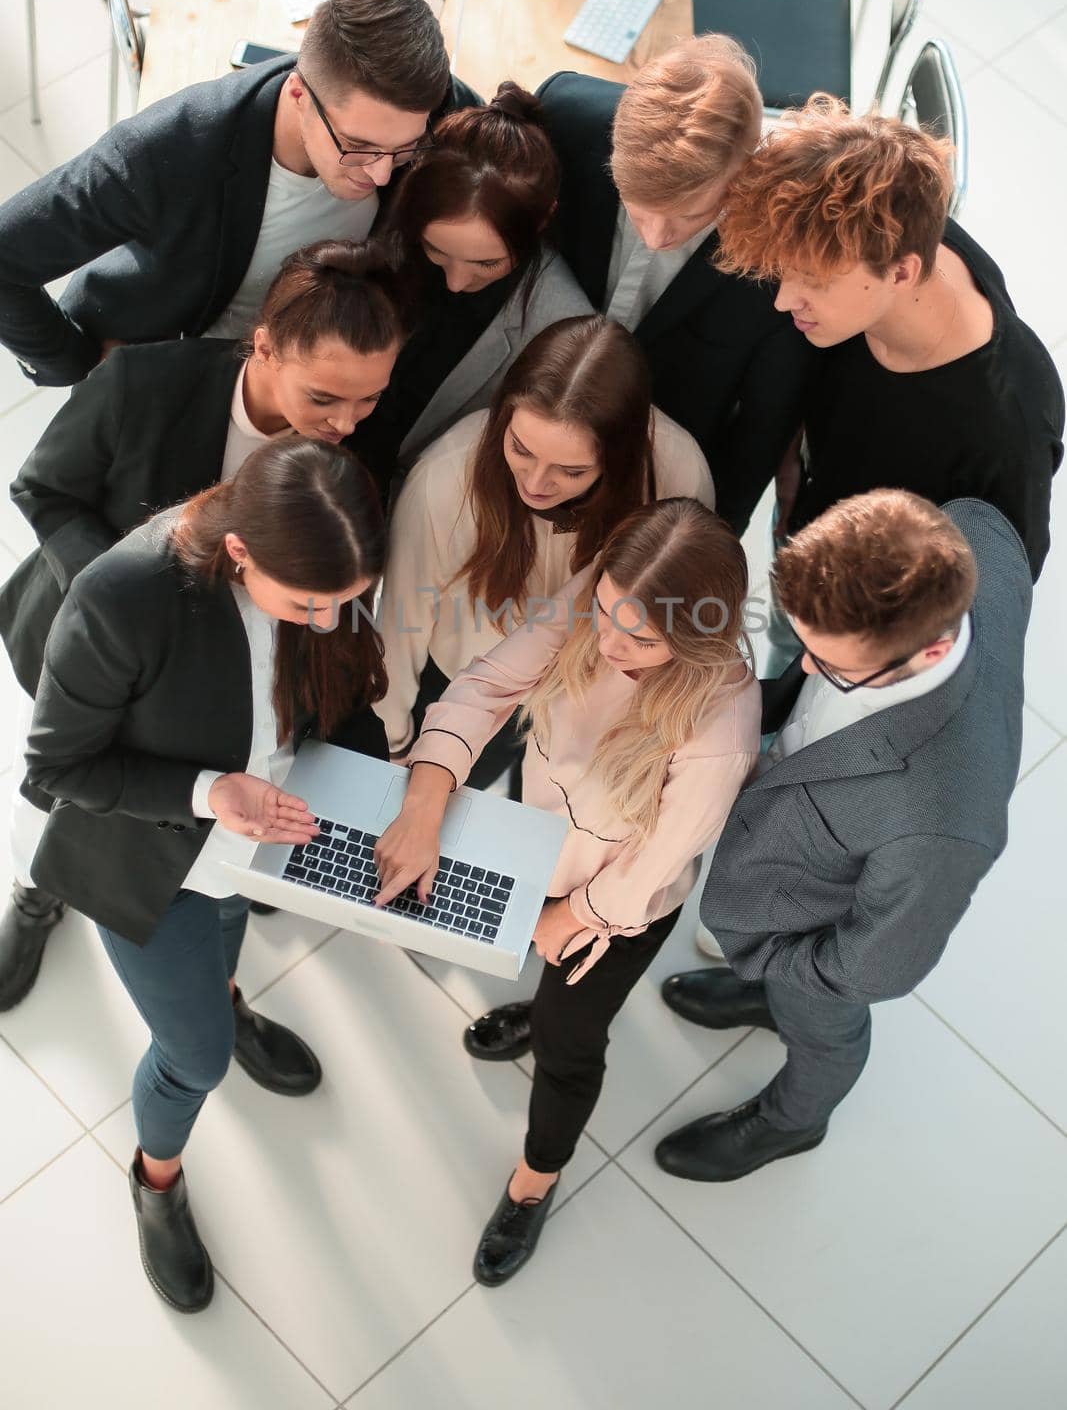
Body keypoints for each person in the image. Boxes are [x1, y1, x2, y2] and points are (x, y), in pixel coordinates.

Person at [23, 440, 389, 1311]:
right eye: (311, 604)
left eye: (348, 602)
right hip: (151, 858)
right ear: (238, 552)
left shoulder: (316, 575)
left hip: (255, 848)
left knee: (224, 946)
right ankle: (156, 1180)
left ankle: (221, 995)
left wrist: (387, 805)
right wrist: (208, 791)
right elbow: (55, 769)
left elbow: (338, 696)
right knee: (194, 1057)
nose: (330, 621)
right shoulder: (122, 598)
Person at [0, 239, 405, 1012]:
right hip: (92, 645)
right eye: (325, 398)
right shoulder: (144, 383)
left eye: (369, 400)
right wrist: (120, 596)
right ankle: (34, 894)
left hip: (226, 675)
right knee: (53, 790)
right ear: (264, 347)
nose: (347, 423)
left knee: (189, 800)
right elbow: (44, 489)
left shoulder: (344, 449)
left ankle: (214, 985)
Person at [374, 499, 761, 1283]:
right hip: (539, 843)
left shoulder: (719, 727)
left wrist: (574, 914)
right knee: (532, 968)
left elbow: (655, 866)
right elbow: (484, 688)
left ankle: (534, 1181)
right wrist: (424, 797)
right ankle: (535, 1003)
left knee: (569, 1044)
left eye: (638, 636)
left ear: (694, 638)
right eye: (607, 613)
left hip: (614, 907)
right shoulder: (594, 598)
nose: (609, 640)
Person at [654, 490, 1029, 1183]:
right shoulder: (973, 529)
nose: (803, 668)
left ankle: (791, 1123)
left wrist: (782, 963)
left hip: (814, 936)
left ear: (932, 646)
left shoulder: (937, 820)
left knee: (824, 1027)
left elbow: (874, 967)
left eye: (831, 665)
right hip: (788, 895)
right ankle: (761, 991)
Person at [0, 0, 477, 386]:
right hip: (179, 368)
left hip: (320, 368)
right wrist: (79, 364)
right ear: (298, 94)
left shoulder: (428, 109)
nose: (380, 173)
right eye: (359, 146)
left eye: (403, 150)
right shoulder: (172, 148)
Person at [714, 94, 1064, 581]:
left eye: (812, 281)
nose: (783, 300)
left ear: (902, 272)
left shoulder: (1006, 435)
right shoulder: (892, 233)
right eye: (784, 275)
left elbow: (991, 602)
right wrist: (792, 452)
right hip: (809, 521)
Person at [374, 314, 715, 778]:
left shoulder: (678, 472)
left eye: (571, 471)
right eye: (520, 448)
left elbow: (681, 614)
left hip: (598, 706)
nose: (535, 484)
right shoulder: (444, 477)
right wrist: (391, 743)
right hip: (469, 693)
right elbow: (400, 625)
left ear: (619, 457)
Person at [535, 35, 815, 536]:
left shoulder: (783, 259)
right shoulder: (562, 118)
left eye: (689, 215)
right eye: (638, 209)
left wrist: (707, 544)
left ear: (742, 173)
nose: (657, 237)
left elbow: (760, 429)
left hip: (650, 479)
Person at [351, 82, 592, 496]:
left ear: (542, 220)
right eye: (436, 250)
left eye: (487, 263)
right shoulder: (381, 224)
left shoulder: (561, 329)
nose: (456, 282)